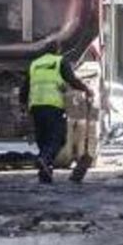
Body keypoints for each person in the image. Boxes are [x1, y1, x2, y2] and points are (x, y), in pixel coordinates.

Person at [21, 42, 94, 184]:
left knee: (42, 139)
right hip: (53, 105)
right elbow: (72, 80)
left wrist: (22, 104)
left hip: (36, 106)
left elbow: (25, 87)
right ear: (58, 51)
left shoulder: (35, 64)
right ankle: (45, 159)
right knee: (58, 138)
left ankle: (45, 171)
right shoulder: (59, 61)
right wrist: (86, 89)